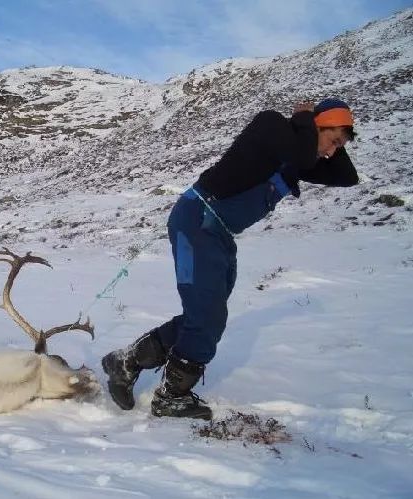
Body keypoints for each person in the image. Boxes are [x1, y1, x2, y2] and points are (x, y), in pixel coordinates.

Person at [102, 98, 359, 419]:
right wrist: (307, 118)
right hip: (195, 221)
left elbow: (348, 177)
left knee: (205, 316)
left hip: (218, 234)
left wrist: (336, 135)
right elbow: (300, 151)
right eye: (332, 140)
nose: (332, 151)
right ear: (316, 125)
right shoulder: (272, 124)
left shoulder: (301, 160)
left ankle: (126, 361)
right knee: (206, 316)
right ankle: (171, 397)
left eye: (339, 145)